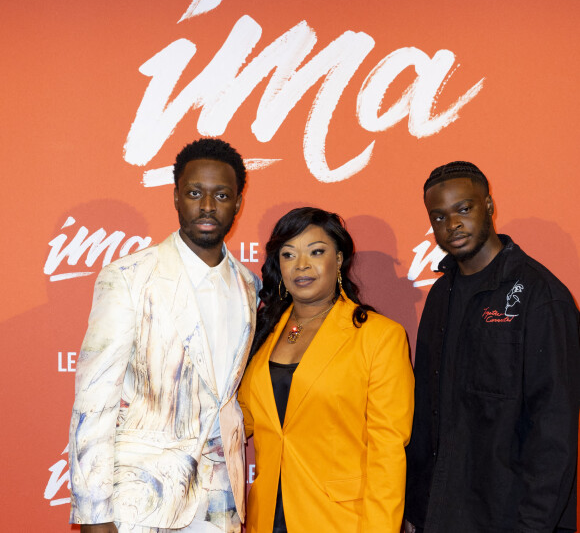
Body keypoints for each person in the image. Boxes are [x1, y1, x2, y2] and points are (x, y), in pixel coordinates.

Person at [69, 138, 261, 533]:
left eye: (221, 195)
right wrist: (93, 511)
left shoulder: (248, 286)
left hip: (219, 499)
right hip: (141, 497)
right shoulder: (129, 277)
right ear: (176, 197)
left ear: (238, 203)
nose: (207, 206)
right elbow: (95, 401)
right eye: (195, 193)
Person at [405, 161, 580, 533]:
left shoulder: (541, 296)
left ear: (489, 205)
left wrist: (533, 525)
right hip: (441, 514)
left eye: (463, 209)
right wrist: (415, 510)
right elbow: (426, 414)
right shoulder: (440, 294)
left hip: (513, 518)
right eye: (438, 217)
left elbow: (554, 429)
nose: (451, 225)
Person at [238, 207, 414, 533]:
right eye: (289, 255)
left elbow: (387, 454)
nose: (301, 265)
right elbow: (240, 421)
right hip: (267, 518)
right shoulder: (262, 332)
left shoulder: (379, 337)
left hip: (340, 521)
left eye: (316, 252)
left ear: (339, 260)